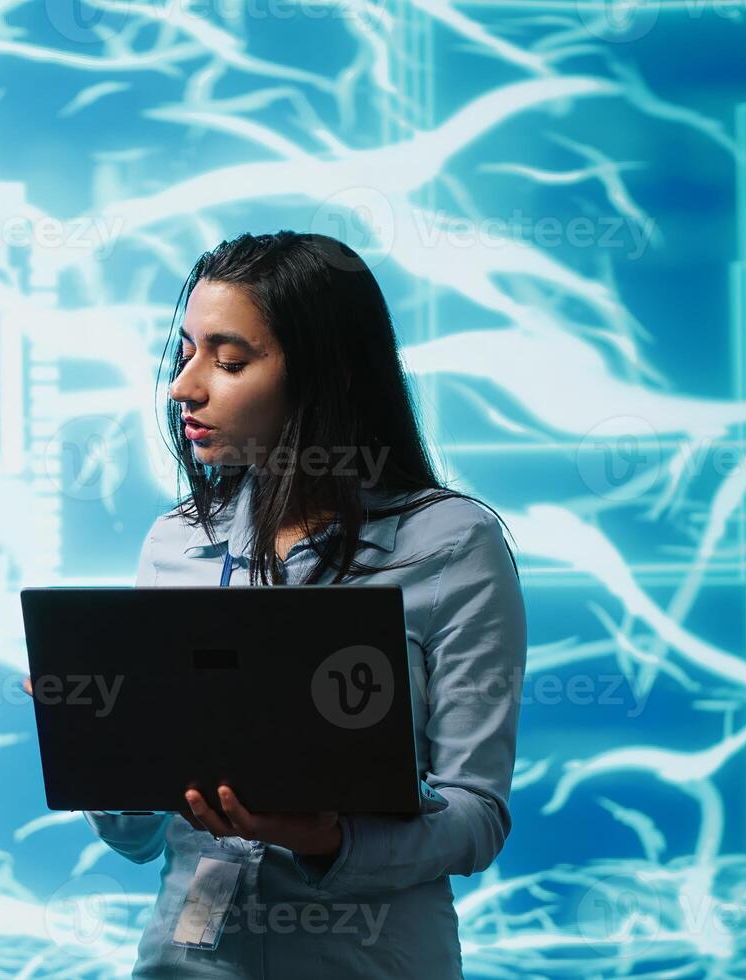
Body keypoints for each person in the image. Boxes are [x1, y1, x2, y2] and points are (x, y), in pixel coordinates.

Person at [85, 231, 527, 977]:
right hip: (185, 961)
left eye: (227, 361)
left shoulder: (451, 543)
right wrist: (99, 735)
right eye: (185, 352)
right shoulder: (173, 544)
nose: (183, 387)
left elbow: (475, 818)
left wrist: (327, 837)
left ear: (325, 374)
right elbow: (133, 837)